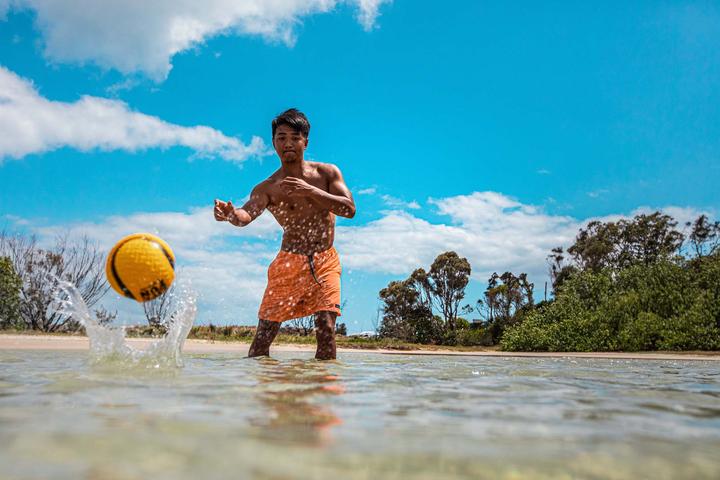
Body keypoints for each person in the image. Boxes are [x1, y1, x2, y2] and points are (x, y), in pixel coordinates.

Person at [214, 108, 355, 360]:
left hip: (325, 261)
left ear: (306, 141)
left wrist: (310, 191)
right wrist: (230, 214)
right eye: (281, 137)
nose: (288, 143)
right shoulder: (267, 188)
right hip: (288, 263)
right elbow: (246, 215)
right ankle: (267, 392)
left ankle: (323, 394)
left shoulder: (327, 174)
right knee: (264, 336)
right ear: (273, 143)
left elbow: (349, 209)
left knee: (326, 329)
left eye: (294, 137)